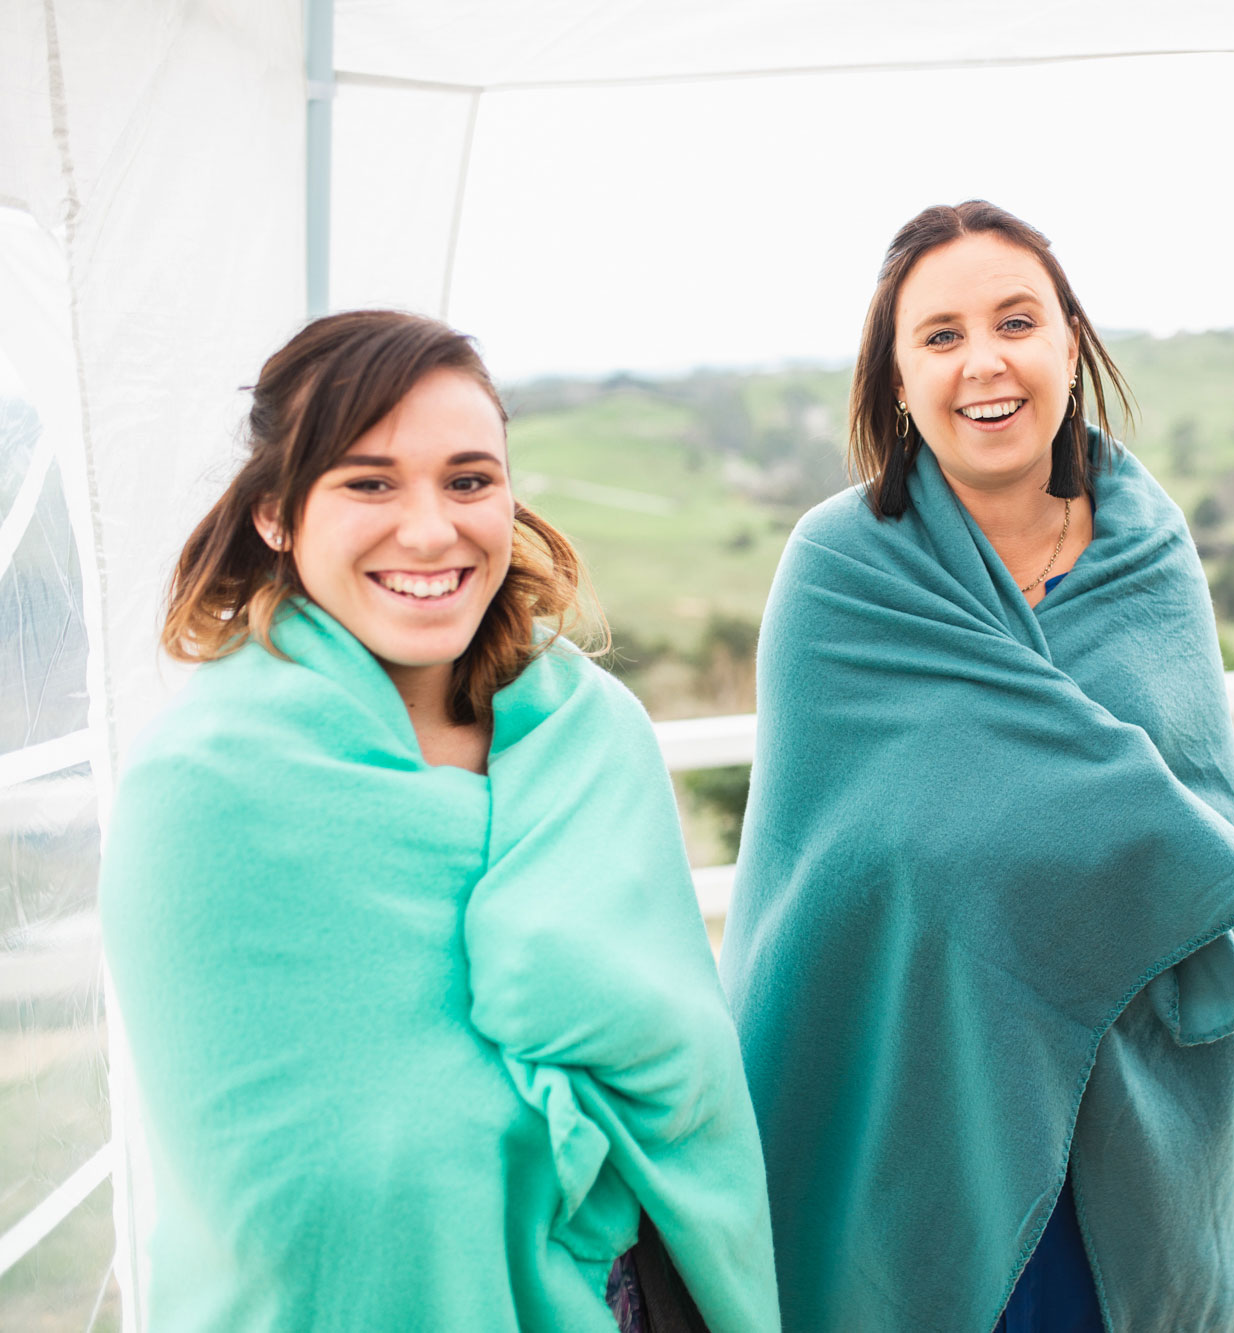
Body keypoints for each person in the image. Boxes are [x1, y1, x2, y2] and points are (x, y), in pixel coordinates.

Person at [98, 311, 780, 1333]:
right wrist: (549, 1127)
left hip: (621, 1296)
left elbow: (683, 1061)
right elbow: (278, 1185)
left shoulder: (593, 738)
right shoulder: (201, 788)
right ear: (277, 515)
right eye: (369, 482)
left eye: (468, 481)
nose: (430, 530)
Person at [719, 201, 1234, 1332]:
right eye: (938, 335)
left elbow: (1192, 823)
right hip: (918, 1094)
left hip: (1117, 1106)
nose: (984, 362)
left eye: (1015, 321)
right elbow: (824, 869)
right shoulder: (840, 573)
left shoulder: (1147, 549)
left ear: (1068, 344)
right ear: (892, 378)